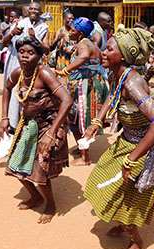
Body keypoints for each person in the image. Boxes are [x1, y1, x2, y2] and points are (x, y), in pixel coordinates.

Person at [83, 28, 154, 249]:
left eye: (109, 49)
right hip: (126, 141)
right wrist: (97, 122)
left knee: (130, 198)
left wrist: (132, 159)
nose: (103, 52)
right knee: (102, 181)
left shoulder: (133, 83)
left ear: (123, 55)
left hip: (144, 150)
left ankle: (137, 243)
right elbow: (112, 96)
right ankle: (123, 224)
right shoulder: (117, 74)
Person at [0, 36, 72, 224]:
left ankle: (50, 204)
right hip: (28, 123)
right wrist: (5, 117)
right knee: (16, 163)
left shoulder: (44, 73)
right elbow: (7, 88)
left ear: (39, 56)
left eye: (30, 53)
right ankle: (36, 197)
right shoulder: (19, 73)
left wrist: (52, 132)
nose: (24, 56)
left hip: (49, 124)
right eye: (22, 52)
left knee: (40, 169)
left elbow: (67, 100)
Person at [56, 17, 109, 166]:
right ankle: (81, 149)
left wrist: (65, 70)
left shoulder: (83, 43)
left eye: (73, 30)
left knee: (79, 118)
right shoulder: (90, 43)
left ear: (79, 33)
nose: (70, 32)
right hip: (89, 84)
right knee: (78, 118)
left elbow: (84, 56)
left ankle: (85, 157)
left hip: (85, 87)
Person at [2, 2, 49, 133]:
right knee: (13, 90)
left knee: (29, 93)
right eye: (31, 8)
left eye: (37, 9)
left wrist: (35, 38)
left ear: (41, 12)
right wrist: (12, 33)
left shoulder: (44, 27)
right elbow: (4, 42)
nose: (33, 11)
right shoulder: (20, 23)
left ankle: (28, 125)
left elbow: (47, 49)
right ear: (28, 10)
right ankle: (12, 124)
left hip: (33, 66)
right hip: (15, 63)